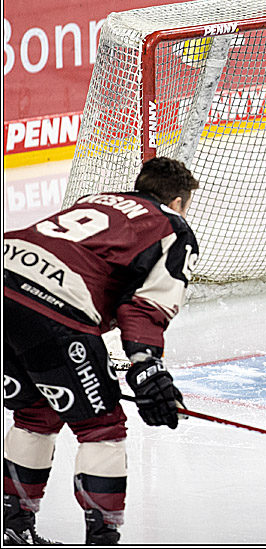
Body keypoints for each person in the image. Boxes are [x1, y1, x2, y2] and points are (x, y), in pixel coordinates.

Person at [3, 157, 200, 545]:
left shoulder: (99, 199)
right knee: (101, 425)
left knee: (36, 412)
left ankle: (13, 526)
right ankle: (102, 538)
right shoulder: (172, 227)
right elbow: (144, 306)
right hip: (53, 303)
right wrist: (146, 365)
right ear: (177, 202)